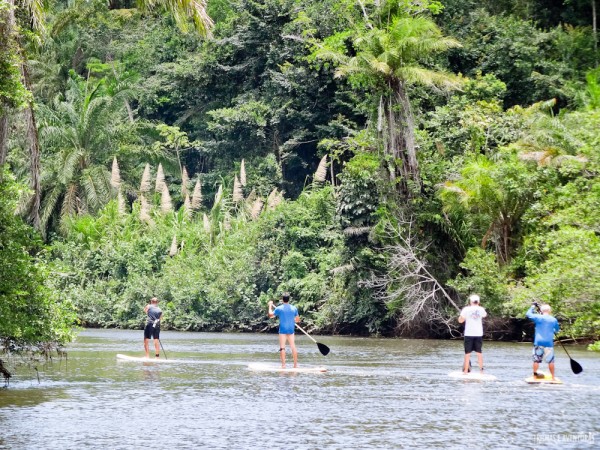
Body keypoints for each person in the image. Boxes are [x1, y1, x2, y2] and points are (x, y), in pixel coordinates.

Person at [526, 302, 560, 380]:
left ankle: (534, 376)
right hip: (549, 343)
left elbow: (528, 314)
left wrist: (532, 306)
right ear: (550, 311)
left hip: (538, 342)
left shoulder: (538, 318)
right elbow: (557, 329)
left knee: (536, 360)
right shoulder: (553, 319)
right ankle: (553, 378)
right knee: (551, 361)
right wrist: (553, 329)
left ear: (541, 311)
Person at [268, 292, 300, 368]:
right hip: (291, 330)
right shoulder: (294, 308)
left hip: (282, 331)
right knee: (293, 347)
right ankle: (295, 365)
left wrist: (270, 306)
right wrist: (293, 320)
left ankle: (283, 365)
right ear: (289, 299)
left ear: (282, 299)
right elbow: (297, 320)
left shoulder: (279, 308)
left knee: (282, 348)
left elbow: (270, 315)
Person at [458, 294, 487, 374]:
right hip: (478, 334)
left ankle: (465, 371)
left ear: (470, 301)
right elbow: (485, 315)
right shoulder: (481, 309)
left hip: (469, 334)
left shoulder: (466, 309)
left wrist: (462, 316)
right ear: (478, 302)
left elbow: (460, 321)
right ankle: (481, 371)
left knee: (467, 353)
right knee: (479, 353)